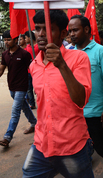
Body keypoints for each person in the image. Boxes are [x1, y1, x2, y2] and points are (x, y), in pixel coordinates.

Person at [22, 10, 94, 178]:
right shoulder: (34, 65)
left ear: (63, 33)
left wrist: (61, 65)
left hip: (72, 147)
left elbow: (81, 100)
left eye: (48, 29)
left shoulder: (79, 58)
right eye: (37, 29)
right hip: (41, 146)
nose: (40, 34)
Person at [69, 15, 103, 178]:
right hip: (75, 111)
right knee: (77, 147)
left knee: (101, 146)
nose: (71, 34)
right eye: (70, 31)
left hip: (96, 111)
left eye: (75, 30)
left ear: (86, 30)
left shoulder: (100, 51)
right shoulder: (69, 54)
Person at [0, 30, 37, 147]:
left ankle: (7, 136)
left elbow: (33, 69)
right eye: (5, 40)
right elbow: (1, 70)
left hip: (22, 87)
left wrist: (36, 84)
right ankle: (34, 123)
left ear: (15, 40)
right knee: (24, 106)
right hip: (12, 87)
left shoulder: (24, 54)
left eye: (8, 40)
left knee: (15, 111)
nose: (6, 42)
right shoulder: (5, 54)